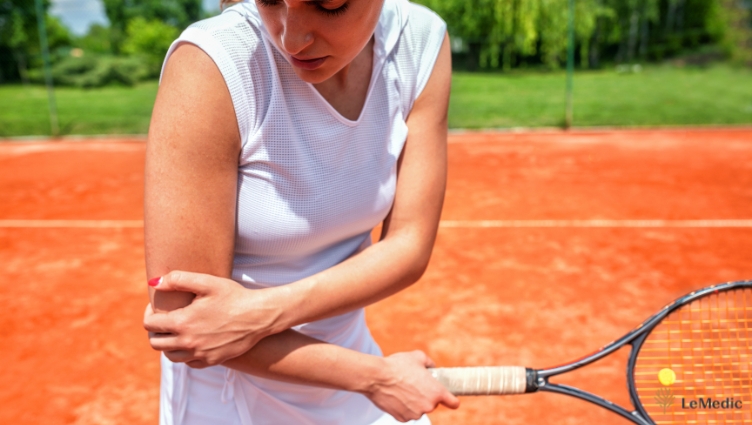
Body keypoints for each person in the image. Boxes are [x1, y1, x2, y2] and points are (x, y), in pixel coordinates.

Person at [142, 0, 456, 423]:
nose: (292, 38)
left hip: (351, 369)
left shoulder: (420, 41)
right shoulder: (212, 63)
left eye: (329, 5)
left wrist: (260, 313)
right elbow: (186, 322)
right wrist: (376, 378)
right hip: (228, 399)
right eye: (271, 1)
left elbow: (410, 244)